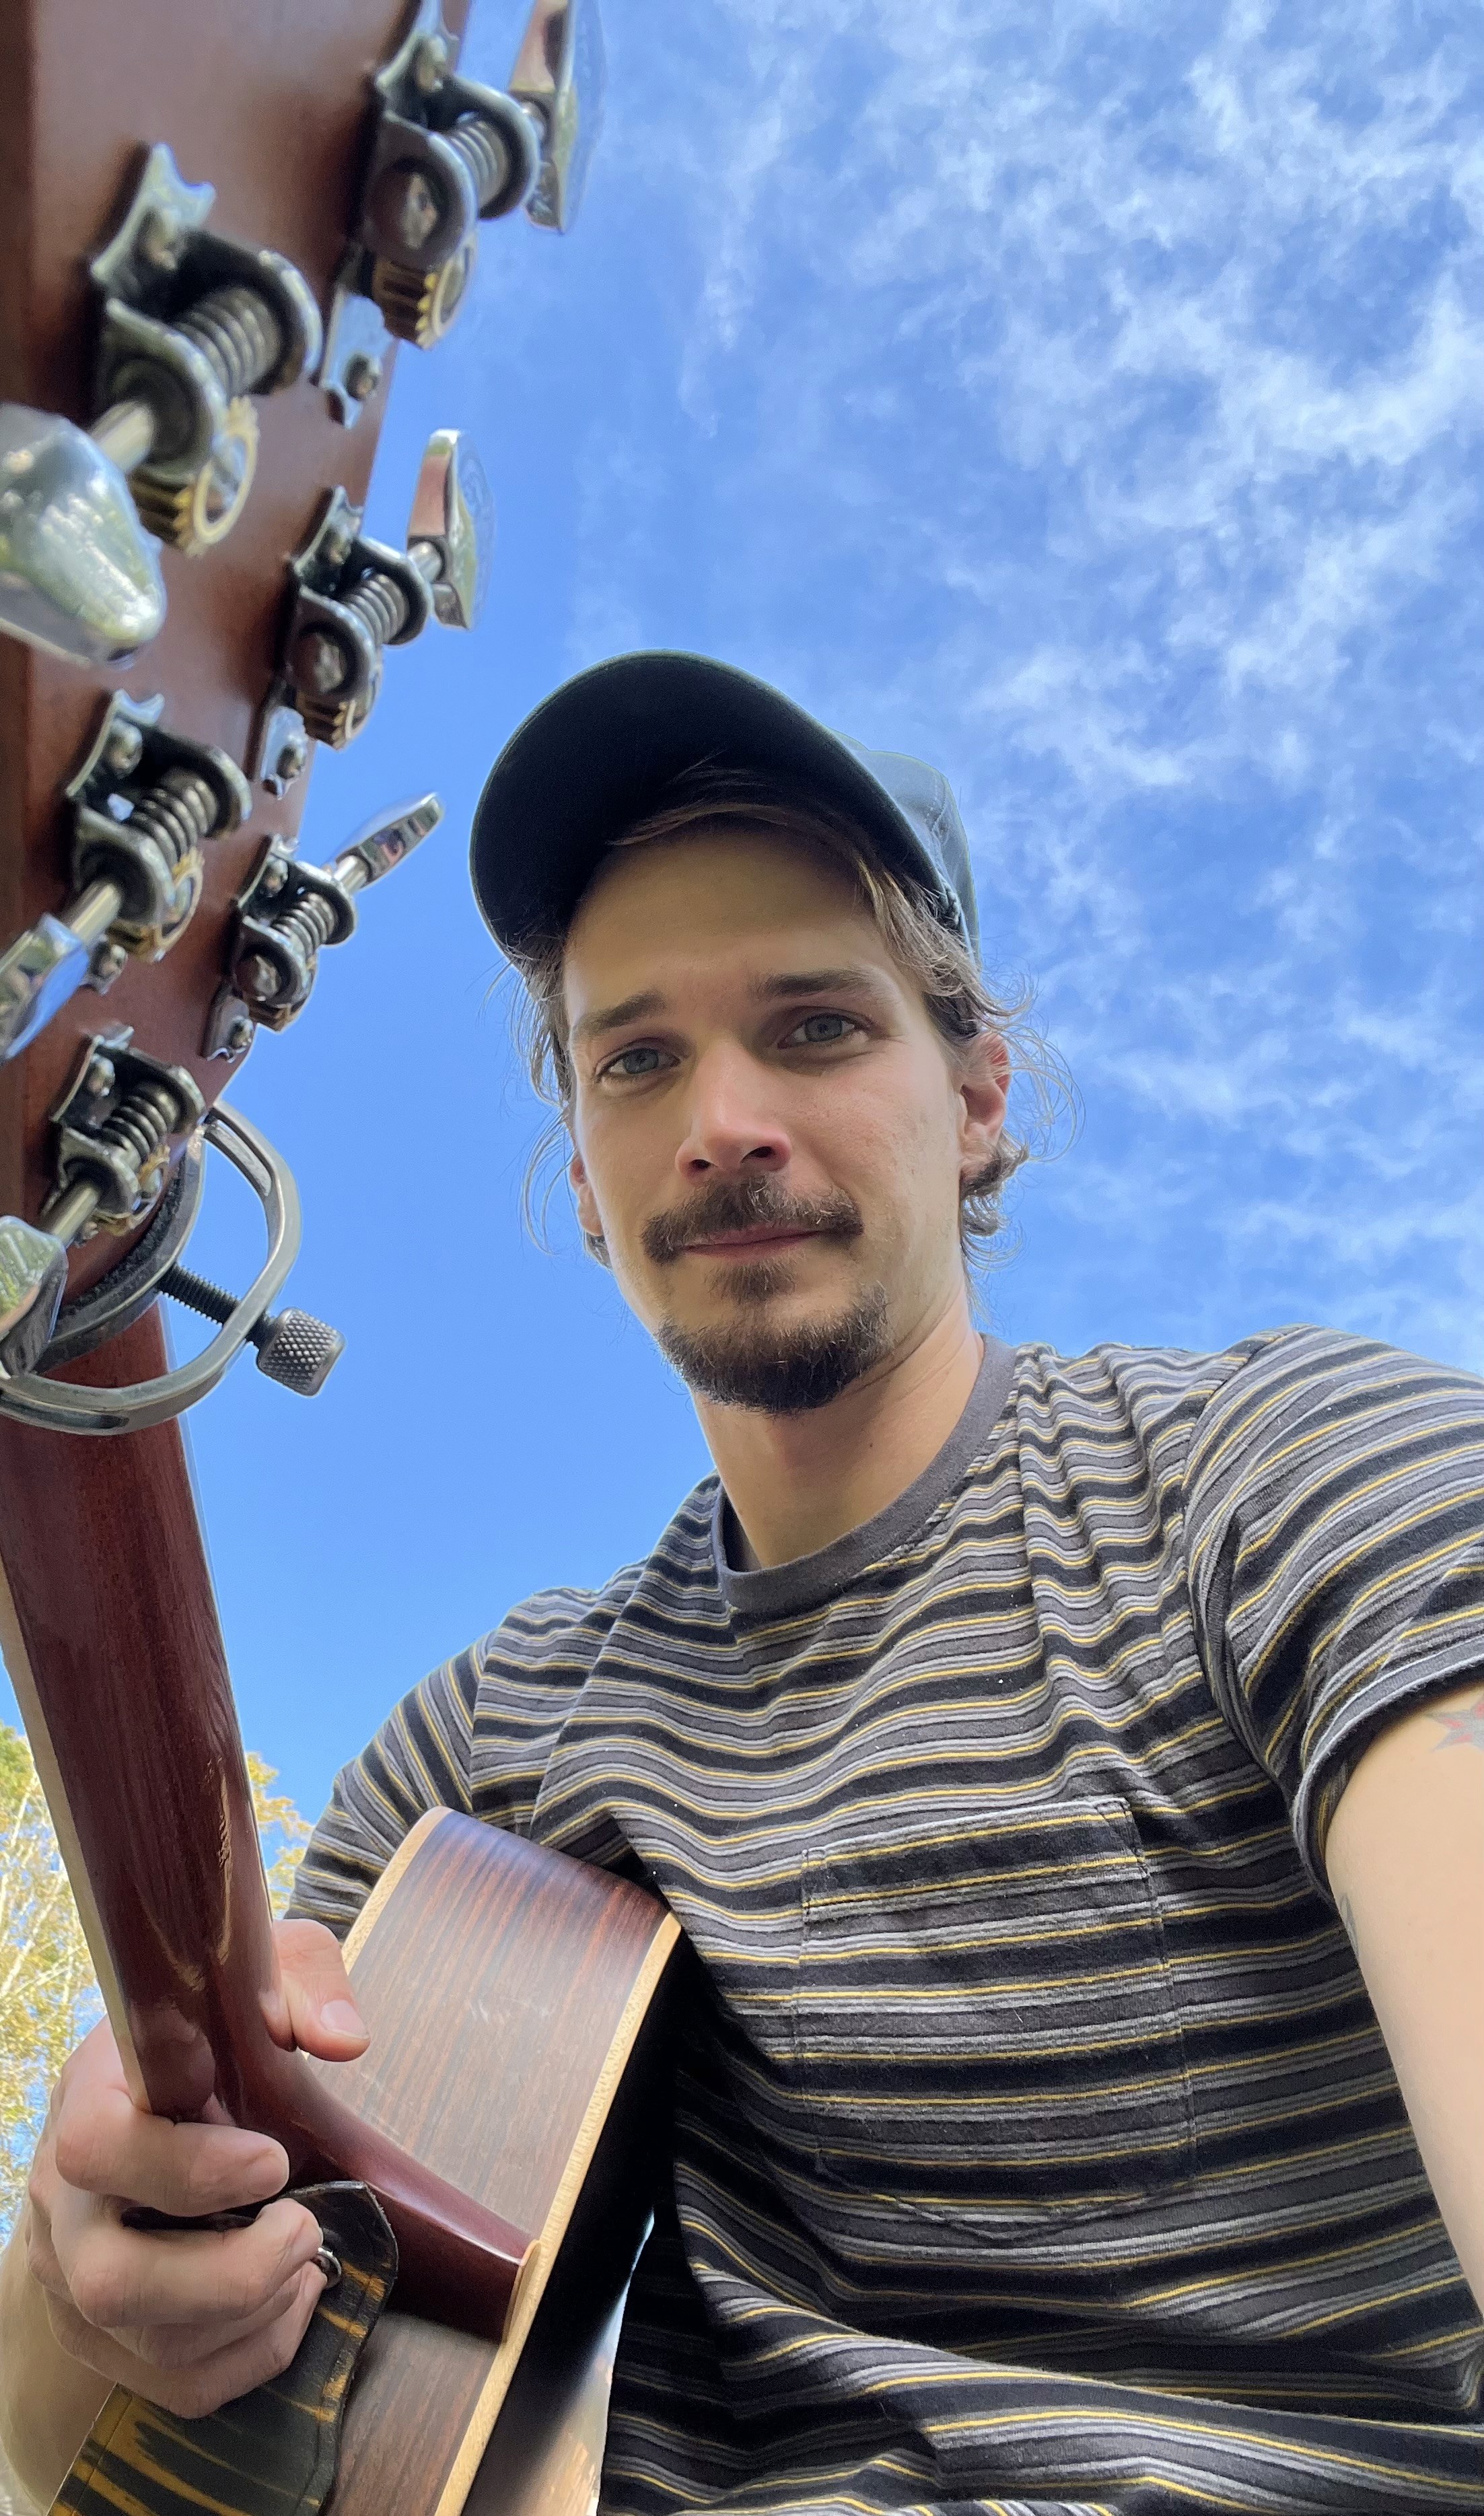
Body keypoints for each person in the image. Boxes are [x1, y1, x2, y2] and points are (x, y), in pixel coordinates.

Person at [3, 651, 1481, 2514]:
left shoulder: (1290, 1477)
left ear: (979, 1096)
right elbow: (98, 2449)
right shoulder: (489, 1750)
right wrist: (93, 2271)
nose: (722, 1120)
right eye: (636, 1059)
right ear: (585, 1170)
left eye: (816, 1026)